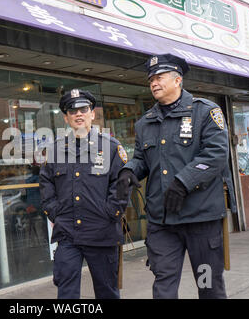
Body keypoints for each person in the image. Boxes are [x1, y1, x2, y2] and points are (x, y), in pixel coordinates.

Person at [116, 53, 231, 299]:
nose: (153, 83)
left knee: (208, 285)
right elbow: (141, 160)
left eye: (159, 77)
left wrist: (183, 182)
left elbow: (216, 155)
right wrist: (128, 171)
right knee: (164, 287)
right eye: (150, 80)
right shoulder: (145, 123)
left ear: (178, 80)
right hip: (163, 222)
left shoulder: (205, 112)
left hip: (200, 220)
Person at [39, 89, 129, 299]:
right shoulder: (55, 151)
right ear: (66, 118)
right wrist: (55, 213)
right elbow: (46, 185)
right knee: (66, 292)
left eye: (83, 109)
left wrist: (111, 212)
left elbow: (123, 184)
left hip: (102, 233)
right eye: (73, 111)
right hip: (68, 234)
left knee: (107, 292)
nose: (78, 114)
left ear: (92, 114)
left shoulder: (111, 148)